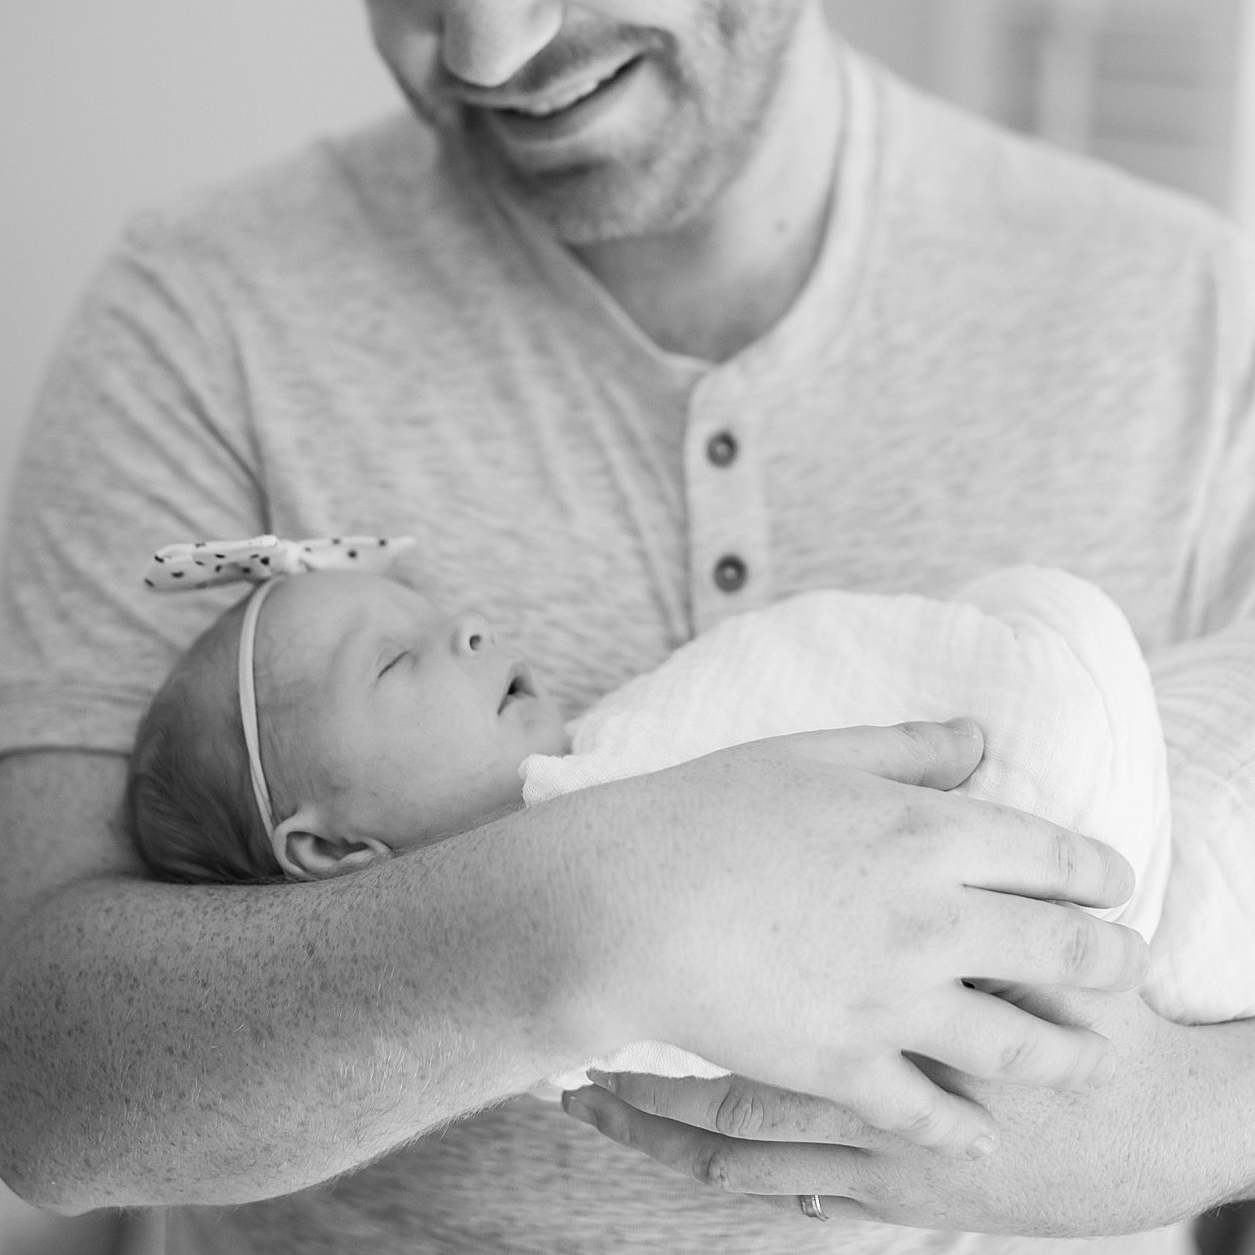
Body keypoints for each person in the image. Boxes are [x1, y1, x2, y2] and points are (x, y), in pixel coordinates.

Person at [1, 2, 1252, 1253]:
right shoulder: (199, 318)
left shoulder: (1194, 314)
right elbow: (42, 1089)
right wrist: (602, 911)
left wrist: (1176, 1128)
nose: (486, 52)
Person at [127, 546, 1254, 1059]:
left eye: (435, 609)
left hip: (1114, 750)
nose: (467, 627)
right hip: (1119, 869)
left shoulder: (628, 740)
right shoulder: (554, 894)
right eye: (396, 662)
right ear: (328, 848)